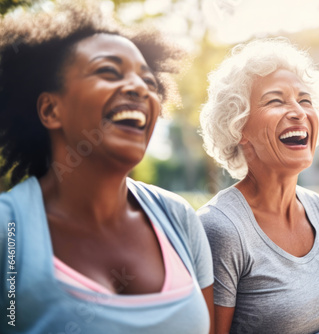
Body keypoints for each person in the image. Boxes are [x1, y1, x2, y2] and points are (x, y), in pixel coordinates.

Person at [0, 3, 214, 333]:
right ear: (50, 110)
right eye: (109, 72)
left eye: (149, 81)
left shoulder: (179, 218)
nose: (141, 88)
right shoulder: (8, 234)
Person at [197, 38, 319, 334]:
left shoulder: (316, 208)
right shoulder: (220, 227)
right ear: (238, 127)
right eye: (276, 100)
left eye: (305, 100)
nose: (299, 112)